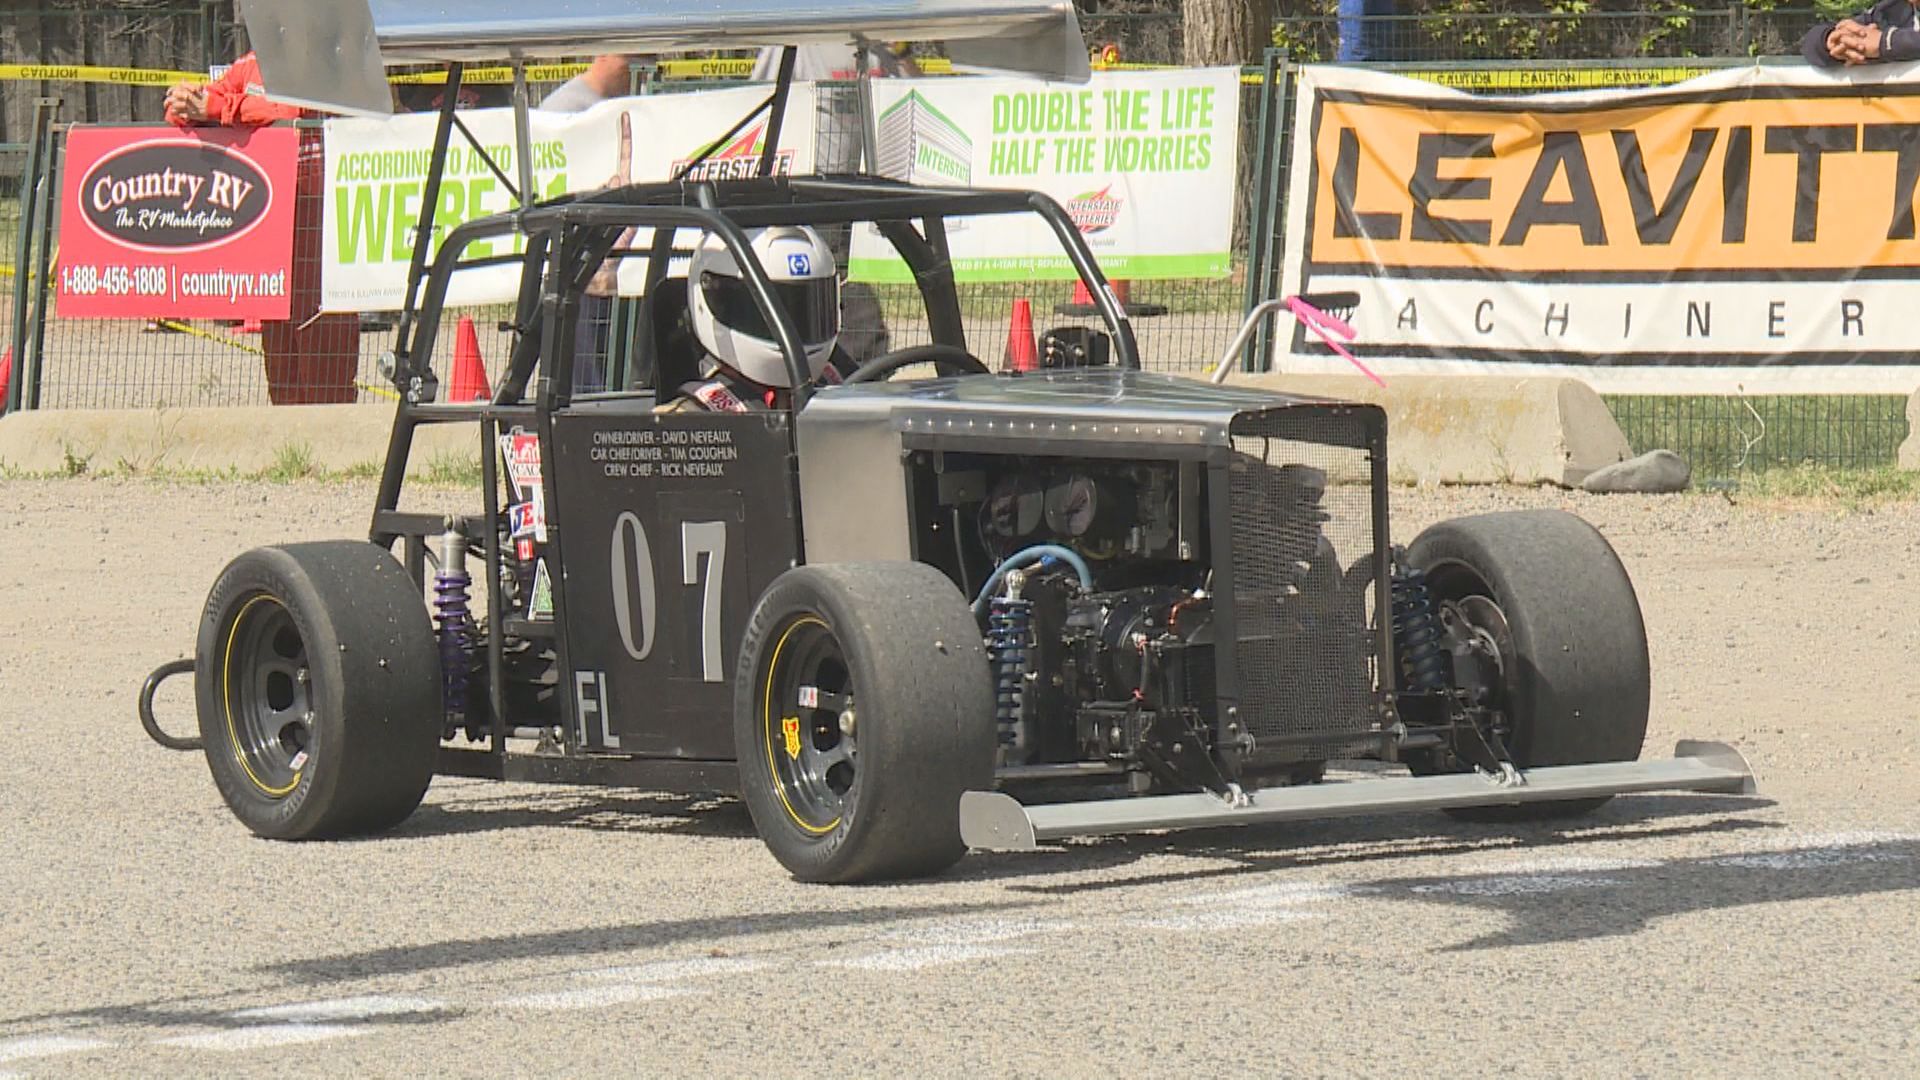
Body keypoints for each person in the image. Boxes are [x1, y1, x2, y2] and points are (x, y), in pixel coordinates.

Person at [165, 53, 360, 404]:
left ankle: (333, 423)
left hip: (321, 200)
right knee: (277, 321)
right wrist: (188, 100)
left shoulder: (323, 55)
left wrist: (219, 108)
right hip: (270, 206)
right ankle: (286, 427)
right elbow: (179, 112)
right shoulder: (250, 63)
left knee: (320, 320)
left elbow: (288, 109)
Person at [751, 44, 919, 367]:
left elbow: (930, 95)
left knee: (846, 290)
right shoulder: (801, 40)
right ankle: (845, 365)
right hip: (813, 195)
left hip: (868, 197)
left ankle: (856, 365)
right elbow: (756, 100)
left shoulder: (884, 44)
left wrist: (903, 54)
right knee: (829, 287)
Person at [659, 225, 842, 412]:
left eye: (804, 306)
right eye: (769, 313)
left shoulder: (838, 382)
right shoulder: (688, 420)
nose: (792, 330)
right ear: (718, 300)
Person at [1802, 1, 1920, 66]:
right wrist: (1833, 40)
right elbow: (1811, 42)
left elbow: (1882, 42)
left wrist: (1885, 43)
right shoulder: (1891, 10)